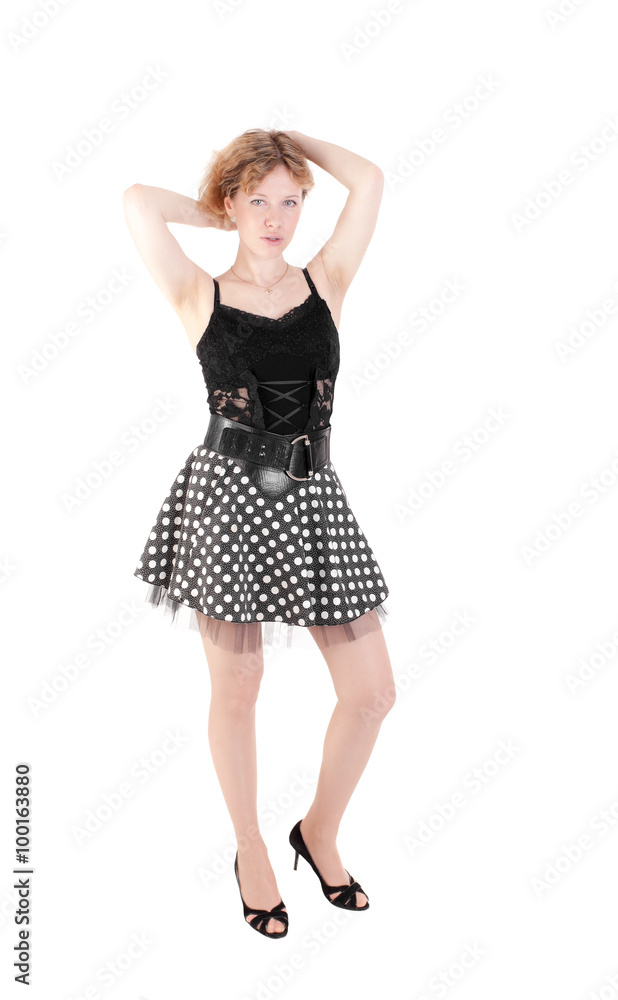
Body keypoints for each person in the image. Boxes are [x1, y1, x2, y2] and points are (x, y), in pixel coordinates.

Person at [123, 128, 396, 938]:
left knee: (372, 693)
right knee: (239, 686)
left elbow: (370, 179)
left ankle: (318, 832)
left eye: (290, 201)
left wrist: (290, 140)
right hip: (228, 499)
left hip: (313, 498)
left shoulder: (327, 280)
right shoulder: (198, 293)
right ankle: (250, 848)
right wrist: (220, 212)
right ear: (233, 202)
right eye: (258, 201)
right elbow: (137, 203)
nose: (276, 218)